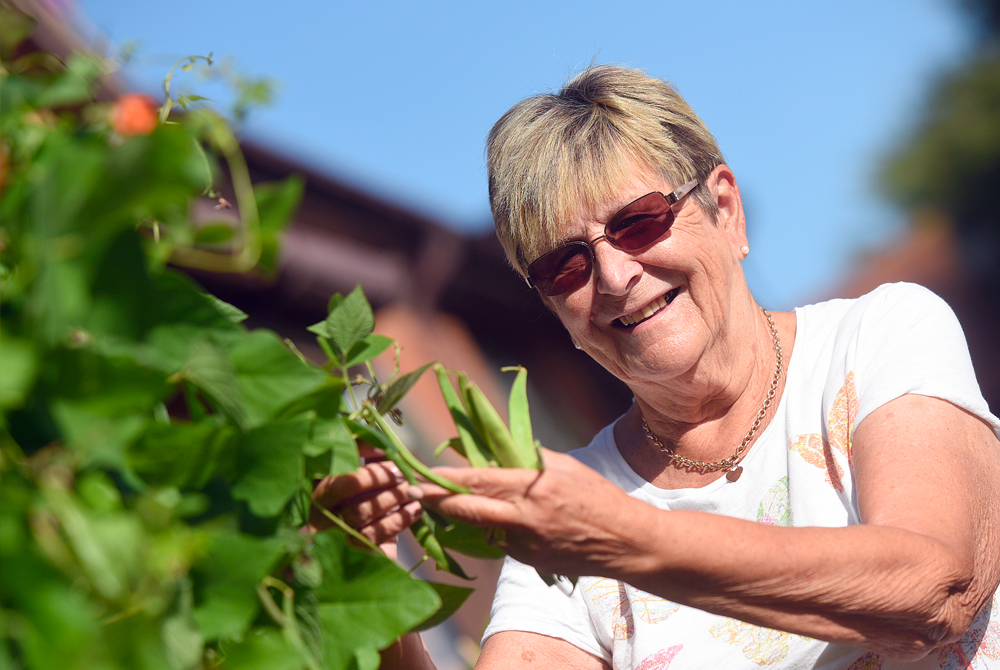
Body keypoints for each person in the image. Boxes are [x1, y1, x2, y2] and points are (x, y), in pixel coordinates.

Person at [311, 65, 1000, 669]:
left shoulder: (877, 335)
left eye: (639, 221)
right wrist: (361, 577)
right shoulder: (566, 506)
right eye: (564, 265)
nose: (612, 275)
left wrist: (617, 536)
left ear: (724, 210)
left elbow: (936, 593)